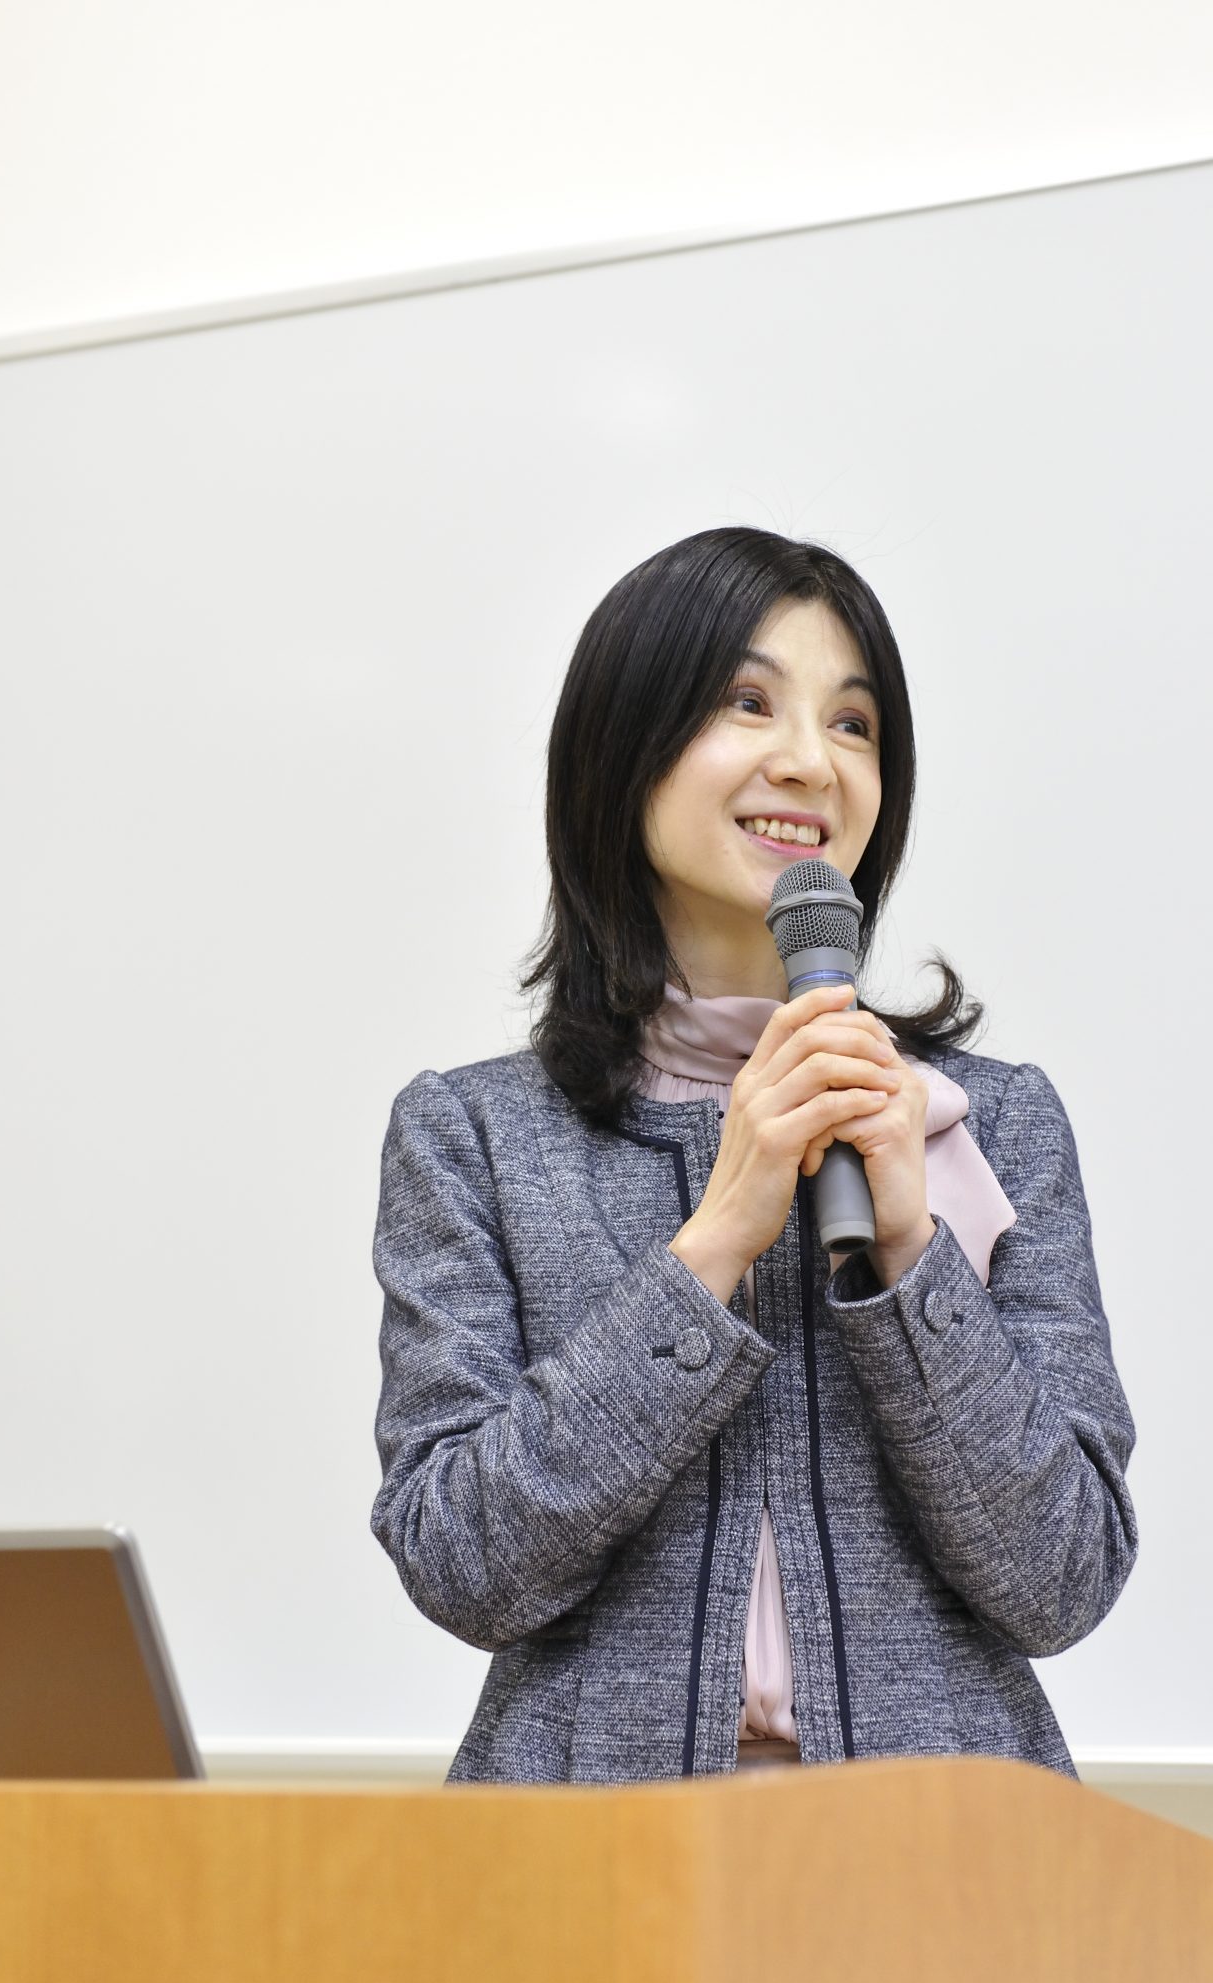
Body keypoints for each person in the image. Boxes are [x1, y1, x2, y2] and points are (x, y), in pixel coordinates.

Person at [369, 526, 1139, 1784]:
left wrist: (910, 1255)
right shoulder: (475, 1136)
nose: (809, 762)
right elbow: (464, 1563)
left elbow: (1061, 1578)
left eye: (853, 723)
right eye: (747, 701)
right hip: (586, 1857)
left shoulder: (990, 1123)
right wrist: (716, 1239)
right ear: (624, 744)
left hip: (941, 1859)